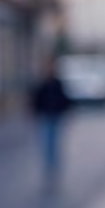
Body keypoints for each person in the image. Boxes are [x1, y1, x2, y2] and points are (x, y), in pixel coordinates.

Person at [31, 58, 71, 190]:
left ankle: (53, 170)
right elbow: (36, 100)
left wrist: (64, 111)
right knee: (47, 145)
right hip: (46, 118)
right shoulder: (42, 84)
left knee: (54, 146)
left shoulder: (58, 83)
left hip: (56, 117)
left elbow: (64, 99)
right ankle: (49, 169)